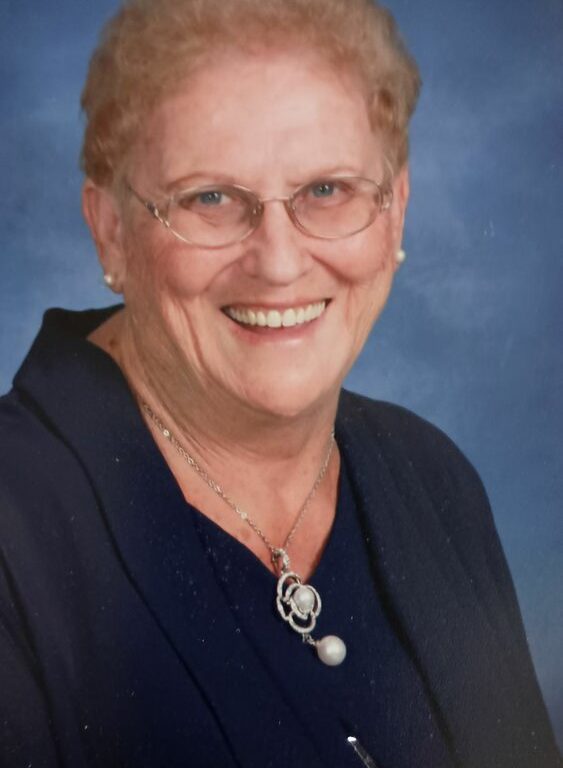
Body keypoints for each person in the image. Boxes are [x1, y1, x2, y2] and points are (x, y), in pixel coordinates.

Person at [0, 0, 560, 766]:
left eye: (326, 190)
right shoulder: (16, 533)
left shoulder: (434, 479)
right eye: (209, 198)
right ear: (111, 231)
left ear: (395, 210)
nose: (278, 262)